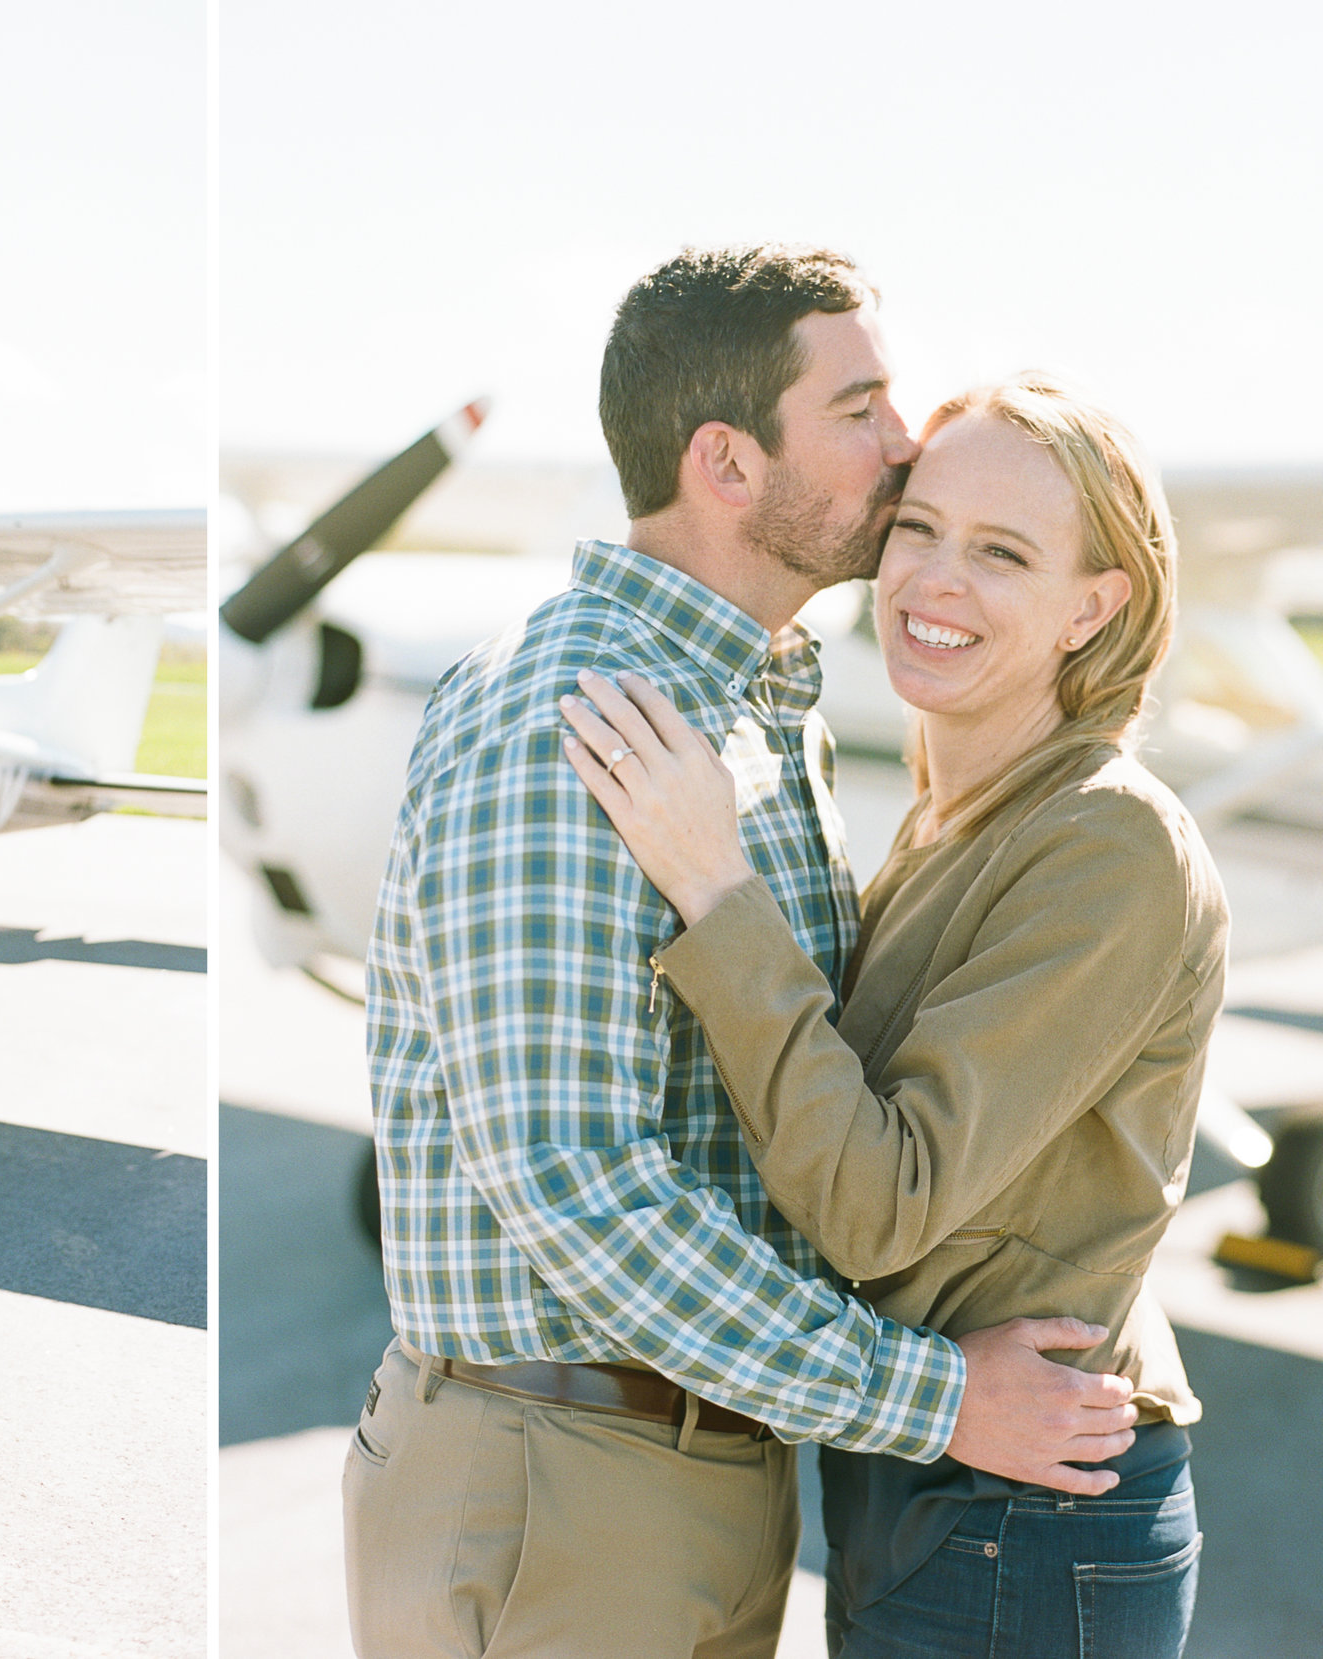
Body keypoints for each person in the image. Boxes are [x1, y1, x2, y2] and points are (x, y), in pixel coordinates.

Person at [347, 247, 1143, 1659]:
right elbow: (572, 1181)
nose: (906, 445)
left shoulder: (765, 715)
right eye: (861, 408)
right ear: (727, 459)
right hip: (562, 1476)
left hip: (705, 1465)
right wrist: (941, 1399)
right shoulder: (578, 718)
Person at [560, 375, 1222, 1657]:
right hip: (943, 1488)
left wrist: (714, 883)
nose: (932, 579)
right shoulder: (958, 815)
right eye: (917, 527)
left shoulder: (1108, 841)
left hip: (1026, 1519)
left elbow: (877, 1204)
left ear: (1096, 605)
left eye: (1001, 553)